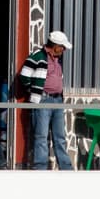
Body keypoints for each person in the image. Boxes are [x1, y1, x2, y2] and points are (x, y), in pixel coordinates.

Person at [19, 30, 74, 170]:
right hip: (43, 101)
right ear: (55, 45)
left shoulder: (57, 59)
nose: (64, 50)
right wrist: (36, 91)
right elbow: (24, 76)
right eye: (62, 46)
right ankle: (40, 169)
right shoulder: (37, 57)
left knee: (60, 137)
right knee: (41, 137)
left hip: (57, 101)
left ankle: (66, 168)